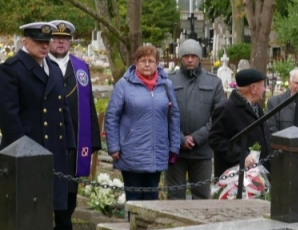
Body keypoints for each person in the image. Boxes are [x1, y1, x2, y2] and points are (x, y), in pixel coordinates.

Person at [0, 22, 76, 214]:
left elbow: (63, 108)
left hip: (53, 147)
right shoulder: (12, 69)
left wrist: (69, 143)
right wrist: (22, 149)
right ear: (25, 42)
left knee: (46, 204)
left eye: (46, 41)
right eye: (38, 41)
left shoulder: (53, 68)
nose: (44, 46)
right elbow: (8, 116)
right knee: (26, 207)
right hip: (27, 146)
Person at [105, 45, 181, 201]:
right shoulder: (124, 85)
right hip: (131, 151)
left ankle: (149, 227)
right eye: (143, 61)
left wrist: (174, 146)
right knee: (134, 198)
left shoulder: (166, 85)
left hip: (157, 151)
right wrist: (113, 146)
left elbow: (174, 116)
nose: (147, 64)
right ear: (136, 63)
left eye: (151, 61)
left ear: (157, 64)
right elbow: (112, 116)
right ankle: (133, 226)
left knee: (151, 197)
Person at [48, 20, 101, 230]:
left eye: (65, 39)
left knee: (69, 184)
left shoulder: (80, 67)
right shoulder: (40, 64)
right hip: (47, 136)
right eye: (56, 38)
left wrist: (93, 141)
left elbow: (89, 104)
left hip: (74, 138)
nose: (60, 42)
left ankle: (64, 226)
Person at [167, 39, 224, 200]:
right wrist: (180, 138)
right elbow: (164, 113)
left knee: (201, 197)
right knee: (174, 196)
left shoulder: (214, 82)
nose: (190, 59)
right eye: (186, 56)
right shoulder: (168, 81)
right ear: (180, 58)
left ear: (200, 58)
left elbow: (218, 117)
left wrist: (196, 137)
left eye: (193, 56)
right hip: (175, 150)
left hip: (202, 150)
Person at [209, 68, 271, 179]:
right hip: (236, 176)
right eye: (262, 85)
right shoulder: (226, 109)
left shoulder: (255, 107)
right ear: (253, 88)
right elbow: (216, 139)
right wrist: (242, 156)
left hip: (257, 173)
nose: (264, 89)